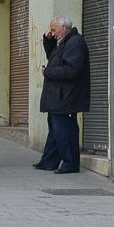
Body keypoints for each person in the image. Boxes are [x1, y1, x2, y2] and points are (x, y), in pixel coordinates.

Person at [35, 15, 90, 174]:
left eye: (54, 29)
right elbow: (54, 58)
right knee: (55, 129)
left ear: (64, 28)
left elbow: (71, 70)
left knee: (65, 131)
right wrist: (48, 41)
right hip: (59, 96)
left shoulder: (75, 43)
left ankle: (70, 163)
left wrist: (48, 71)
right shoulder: (64, 42)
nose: (52, 32)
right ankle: (49, 161)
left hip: (66, 96)